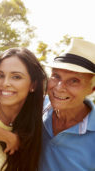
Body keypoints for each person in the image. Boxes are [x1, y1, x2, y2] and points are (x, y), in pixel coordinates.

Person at [39, 38, 95, 170]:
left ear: (92, 89)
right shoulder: (36, 107)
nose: (59, 87)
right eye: (56, 76)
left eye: (74, 81)